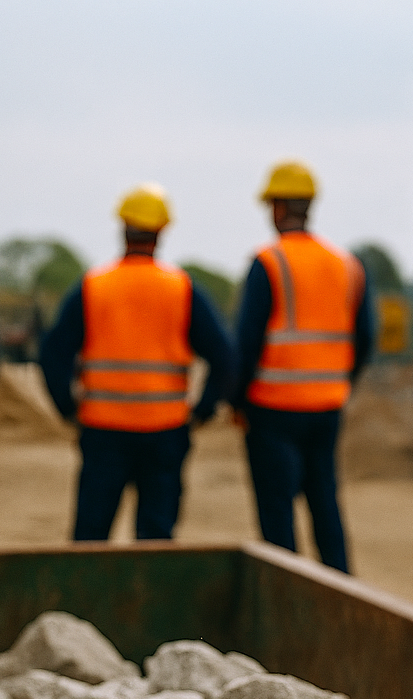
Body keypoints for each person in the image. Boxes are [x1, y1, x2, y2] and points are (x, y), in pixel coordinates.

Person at [40, 184, 234, 541]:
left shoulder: (94, 286)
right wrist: (203, 411)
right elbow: (224, 357)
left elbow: (53, 354)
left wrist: (68, 408)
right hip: (165, 432)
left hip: (103, 430)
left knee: (90, 537)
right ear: (161, 232)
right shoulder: (182, 289)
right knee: (156, 537)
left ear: (123, 228)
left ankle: (87, 598)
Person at [231, 162, 374, 574]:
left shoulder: (269, 262)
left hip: (272, 409)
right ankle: (343, 591)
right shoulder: (347, 264)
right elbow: (364, 339)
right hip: (326, 407)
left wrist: (236, 399)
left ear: (277, 209)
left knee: (278, 517)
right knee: (325, 503)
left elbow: (247, 344)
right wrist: (339, 382)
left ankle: (285, 591)